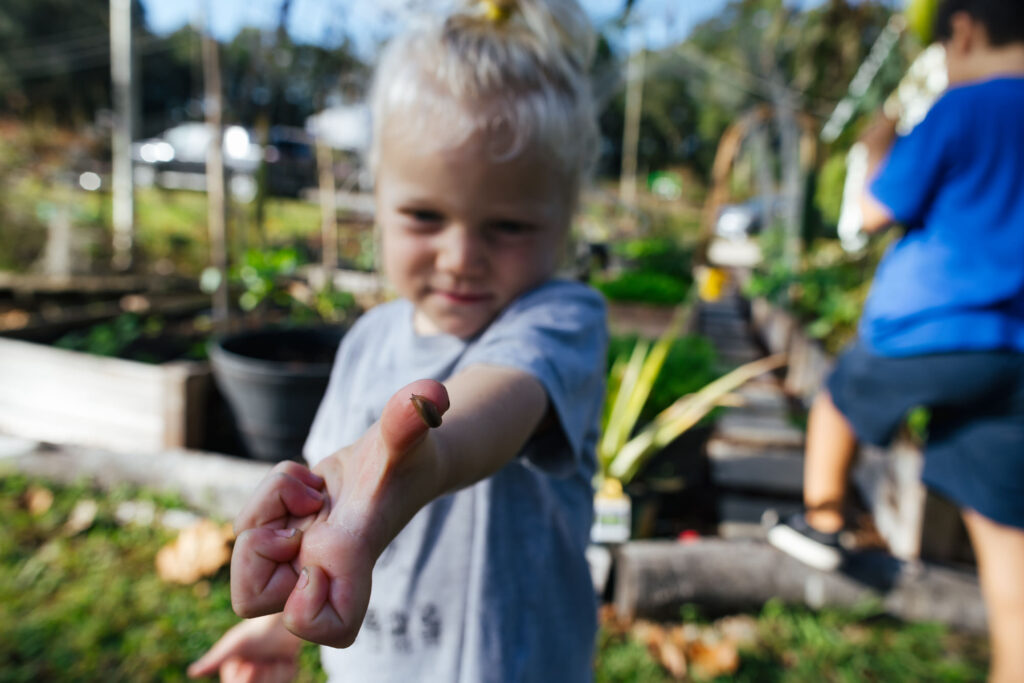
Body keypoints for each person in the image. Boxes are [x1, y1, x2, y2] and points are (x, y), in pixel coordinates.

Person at [189, 1, 606, 681]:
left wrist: (428, 458)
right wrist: (276, 625)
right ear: (376, 198)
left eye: (507, 226)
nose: (461, 255)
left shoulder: (561, 318)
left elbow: (498, 400)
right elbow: (326, 490)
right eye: (424, 215)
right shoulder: (367, 341)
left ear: (565, 219)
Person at [768, 1, 1024, 680]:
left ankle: (823, 519)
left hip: (925, 323)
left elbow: (876, 208)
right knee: (1005, 531)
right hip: (1013, 348)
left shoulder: (959, 108)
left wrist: (880, 144)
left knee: (836, 402)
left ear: (962, 31)